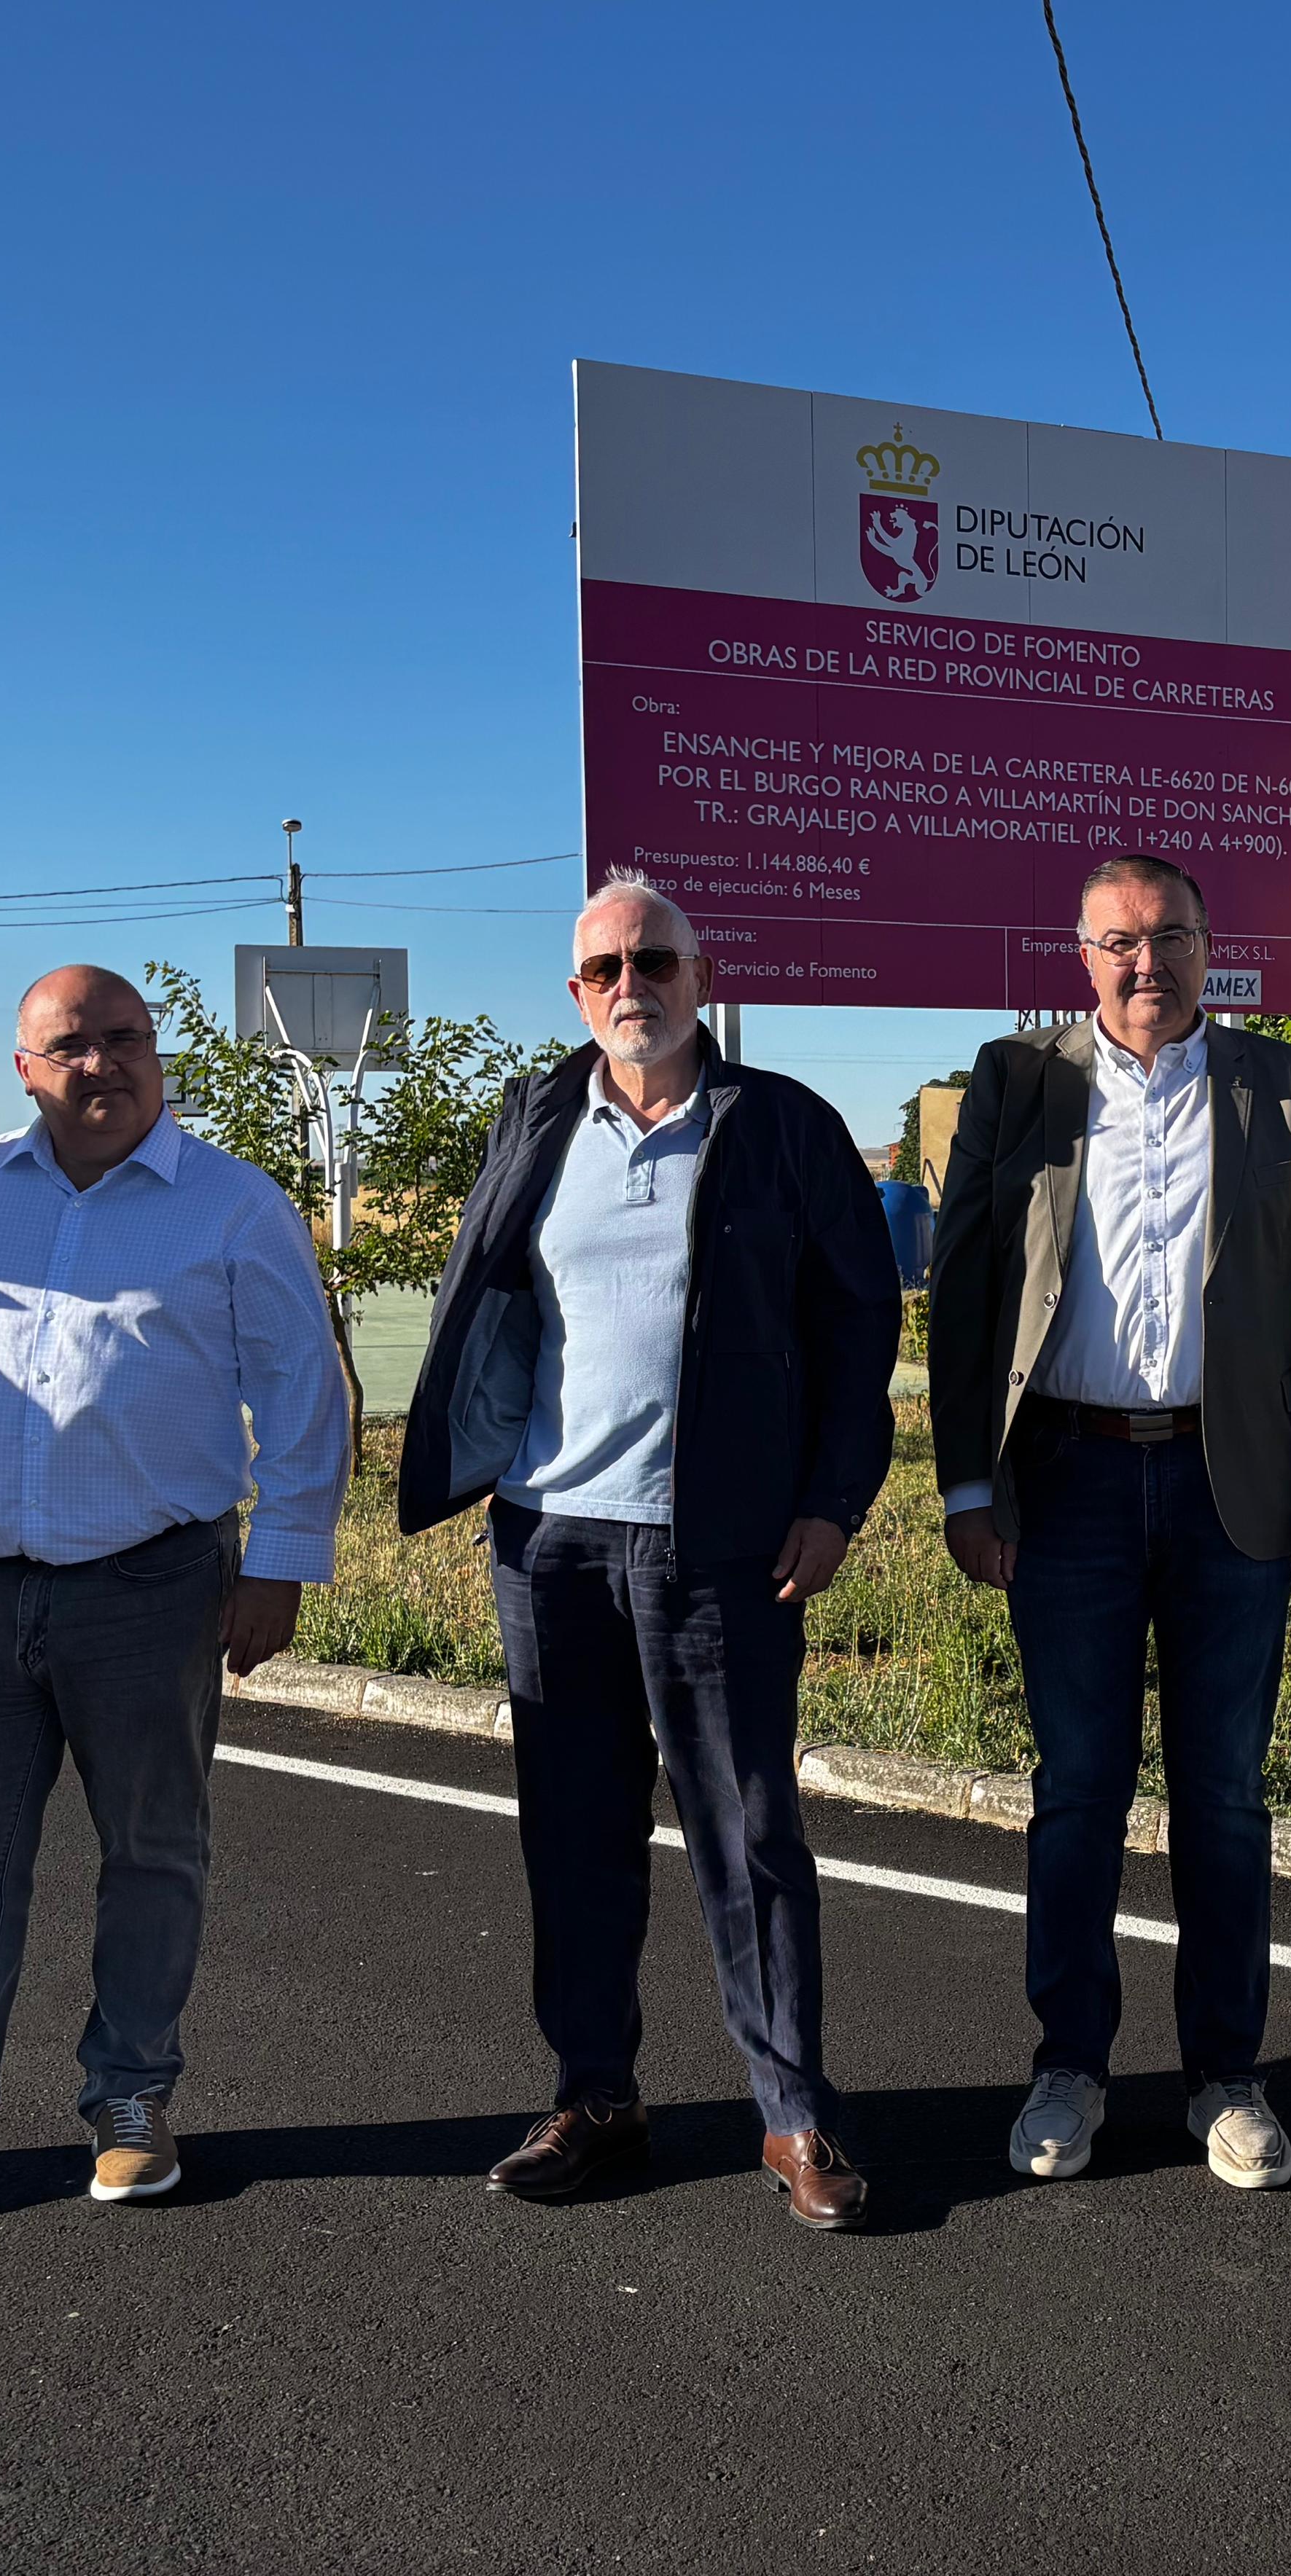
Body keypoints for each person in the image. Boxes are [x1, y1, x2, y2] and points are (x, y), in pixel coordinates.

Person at [0, 965, 350, 2232]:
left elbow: (302, 1389)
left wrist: (282, 1561)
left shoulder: (232, 1207)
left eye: (127, 1039)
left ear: (158, 1053)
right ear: (26, 1071)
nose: (105, 1063)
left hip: (155, 1587)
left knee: (153, 1855)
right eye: (73, 1046)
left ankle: (132, 2099)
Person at [397, 875, 900, 2231]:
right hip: (550, 1538)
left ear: (702, 971)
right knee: (574, 1834)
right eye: (607, 966)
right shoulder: (535, 1118)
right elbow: (483, 1298)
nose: (634, 984)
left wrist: (836, 1499)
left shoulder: (783, 1126)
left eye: (657, 959)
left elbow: (863, 1327)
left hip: (720, 1543)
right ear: (577, 993)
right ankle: (595, 2095)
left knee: (748, 1834)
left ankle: (793, 2113)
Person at [927, 853, 1291, 2191]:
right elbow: (961, 1298)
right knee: (1077, 1794)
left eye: (1170, 937)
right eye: (1119, 942)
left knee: (1227, 1799)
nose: (1146, 963)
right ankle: (1070, 2066)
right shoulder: (1018, 1087)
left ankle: (1225, 2076)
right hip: (1063, 1483)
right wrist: (966, 1484)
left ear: (1208, 945)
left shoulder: (1281, 1088)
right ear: (1081, 954)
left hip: (1227, 1483)